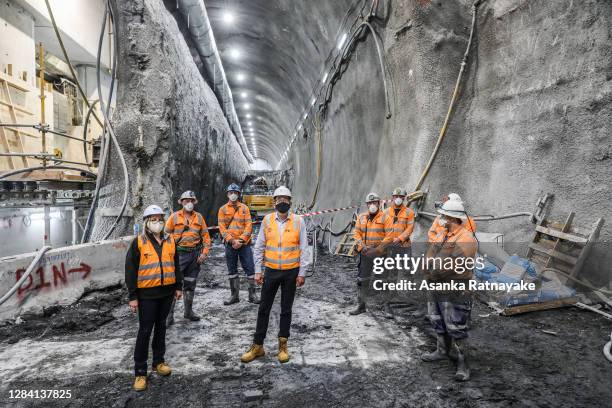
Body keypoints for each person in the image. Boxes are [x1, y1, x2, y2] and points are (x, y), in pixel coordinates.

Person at [240, 186, 310, 364]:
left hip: (290, 273)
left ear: (290, 202)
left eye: (285, 199)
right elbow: (259, 247)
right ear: (274, 202)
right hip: (271, 271)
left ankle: (283, 346)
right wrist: (258, 270)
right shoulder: (267, 220)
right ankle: (258, 346)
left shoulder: (298, 221)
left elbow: (304, 249)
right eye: (279, 199)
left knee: (286, 310)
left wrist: (302, 273)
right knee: (264, 308)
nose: (282, 202)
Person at [125, 205, 183, 392]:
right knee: (145, 331)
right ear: (146, 222)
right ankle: (140, 372)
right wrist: (133, 296)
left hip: (166, 294)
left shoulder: (170, 240)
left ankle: (158, 361)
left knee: (161, 328)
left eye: (160, 219)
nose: (157, 222)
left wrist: (178, 287)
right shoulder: (139, 242)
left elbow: (176, 265)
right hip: (147, 295)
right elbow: (130, 271)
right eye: (153, 219)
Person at [421, 199, 477, 381]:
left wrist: (431, 272)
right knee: (438, 320)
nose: (440, 218)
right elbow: (430, 253)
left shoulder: (467, 238)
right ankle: (441, 351)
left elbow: (450, 265)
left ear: (452, 217)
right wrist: (426, 267)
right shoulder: (442, 234)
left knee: (456, 326)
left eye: (443, 216)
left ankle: (463, 363)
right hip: (436, 285)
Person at [165, 191, 211, 323]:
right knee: (174, 284)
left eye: (191, 201)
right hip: (178, 254)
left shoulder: (199, 218)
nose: (189, 203)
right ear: (181, 202)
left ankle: (188, 312)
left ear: (194, 202)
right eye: (186, 201)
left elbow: (206, 238)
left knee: (190, 283)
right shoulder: (174, 217)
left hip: (194, 255)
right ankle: (169, 315)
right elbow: (165, 236)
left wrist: (204, 253)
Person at [218, 183, 259, 305]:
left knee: (250, 268)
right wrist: (232, 240)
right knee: (232, 269)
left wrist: (240, 240)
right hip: (230, 245)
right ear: (228, 194)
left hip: (244, 244)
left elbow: (248, 225)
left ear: (239, 194)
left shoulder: (244, 208)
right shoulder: (222, 209)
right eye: (231, 193)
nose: (233, 195)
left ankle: (252, 295)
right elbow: (222, 228)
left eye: (235, 193)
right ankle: (234, 296)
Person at [349, 192, 387, 316]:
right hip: (365, 253)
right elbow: (357, 233)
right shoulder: (361, 217)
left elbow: (390, 236)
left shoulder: (385, 217)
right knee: (362, 280)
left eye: (374, 202)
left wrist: (379, 249)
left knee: (384, 280)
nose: (372, 205)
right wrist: (362, 246)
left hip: (380, 253)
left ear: (379, 203)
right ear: (367, 204)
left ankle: (386, 308)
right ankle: (361, 306)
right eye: (370, 203)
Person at [380, 187, 415, 318]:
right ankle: (388, 300)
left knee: (407, 271)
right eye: (396, 196)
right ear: (392, 197)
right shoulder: (385, 212)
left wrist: (399, 238)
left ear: (404, 198)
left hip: (404, 246)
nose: (398, 198)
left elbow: (410, 228)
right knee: (391, 272)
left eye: (401, 196)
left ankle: (408, 299)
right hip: (390, 247)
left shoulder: (409, 212)